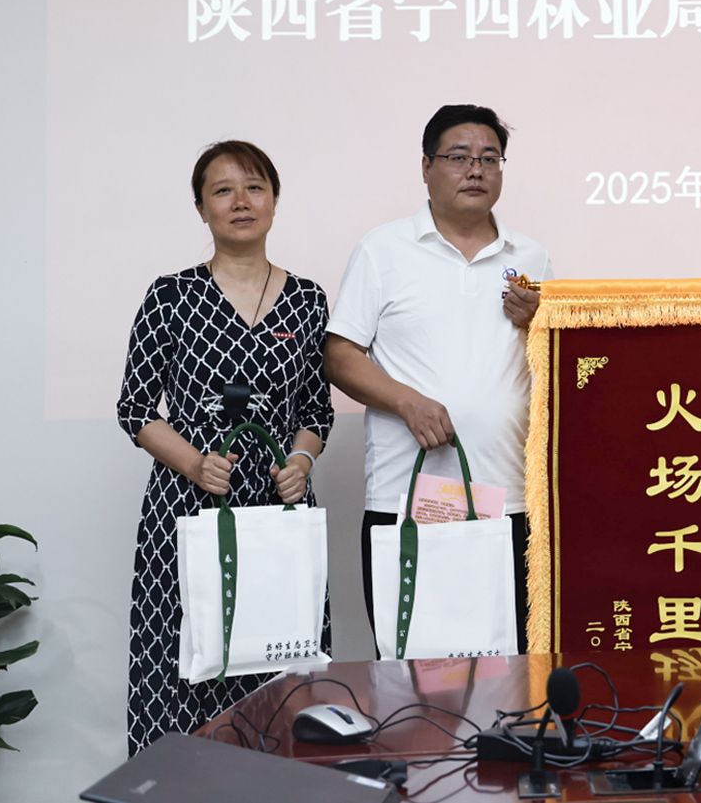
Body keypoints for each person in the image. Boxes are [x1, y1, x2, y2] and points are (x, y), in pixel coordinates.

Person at [117, 140, 333, 754]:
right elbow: (135, 410)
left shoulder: (308, 299)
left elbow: (315, 412)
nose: (241, 202)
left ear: (274, 201)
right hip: (187, 505)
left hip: (278, 505)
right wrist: (194, 463)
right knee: (184, 655)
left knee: (282, 660)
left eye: (255, 188)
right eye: (223, 190)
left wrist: (300, 462)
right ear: (201, 208)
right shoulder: (169, 296)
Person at [325, 105, 551, 653]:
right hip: (407, 500)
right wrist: (408, 402)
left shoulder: (531, 257)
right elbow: (339, 354)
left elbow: (555, 368)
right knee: (412, 672)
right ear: (426, 167)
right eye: (458, 157)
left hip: (511, 499)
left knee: (510, 672)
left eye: (489, 159)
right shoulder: (384, 249)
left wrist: (540, 324)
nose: (476, 170)